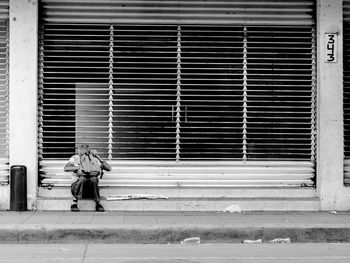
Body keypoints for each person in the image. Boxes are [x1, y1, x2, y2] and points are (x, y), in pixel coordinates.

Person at [64, 144, 112, 212]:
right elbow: (66, 168)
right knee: (82, 178)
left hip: (90, 187)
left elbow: (109, 168)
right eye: (83, 152)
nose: (85, 154)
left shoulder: (94, 159)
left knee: (94, 179)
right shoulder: (75, 158)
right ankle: (74, 202)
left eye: (87, 152)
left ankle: (98, 203)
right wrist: (79, 168)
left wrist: (98, 157)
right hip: (77, 187)